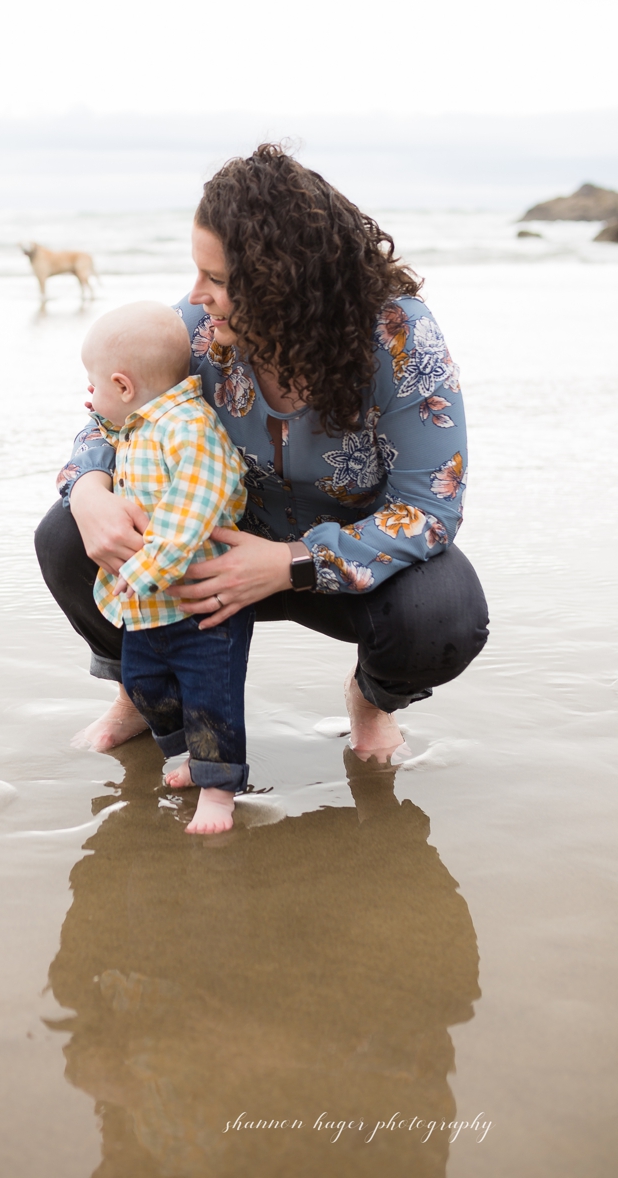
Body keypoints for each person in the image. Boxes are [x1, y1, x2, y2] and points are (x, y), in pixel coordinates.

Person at [36, 144, 487, 762]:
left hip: (344, 567)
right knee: (65, 536)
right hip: (208, 557)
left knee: (444, 616)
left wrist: (289, 563)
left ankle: (372, 698)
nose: (197, 295)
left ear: (285, 286)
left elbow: (430, 506)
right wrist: (88, 493)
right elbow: (110, 420)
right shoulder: (195, 329)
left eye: (218, 280)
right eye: (199, 272)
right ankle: (143, 690)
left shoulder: (399, 339)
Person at [78, 301, 252, 834]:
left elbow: (189, 510)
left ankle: (219, 791)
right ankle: (184, 757)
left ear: (123, 385)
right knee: (145, 683)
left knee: (210, 696)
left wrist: (146, 568)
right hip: (148, 606)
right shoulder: (134, 424)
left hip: (201, 599)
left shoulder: (190, 428)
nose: (89, 397)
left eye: (94, 385)